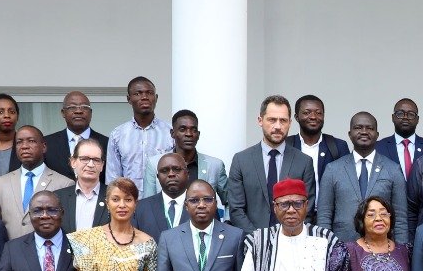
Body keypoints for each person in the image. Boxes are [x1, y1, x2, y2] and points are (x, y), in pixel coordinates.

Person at [226, 95, 316, 231]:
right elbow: (236, 209)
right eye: (272, 120)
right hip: (251, 241)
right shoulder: (241, 160)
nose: (278, 126)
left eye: (283, 121)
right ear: (260, 120)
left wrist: (289, 236)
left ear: (290, 123)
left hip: (291, 241)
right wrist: (257, 239)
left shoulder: (304, 162)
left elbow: (307, 209)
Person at [318, 112, 408, 243]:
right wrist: (325, 249)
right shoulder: (333, 169)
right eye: (358, 128)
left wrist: (402, 253)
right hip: (342, 247)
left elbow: (400, 218)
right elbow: (324, 216)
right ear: (349, 134)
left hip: (381, 250)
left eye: (370, 128)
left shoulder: (393, 169)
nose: (364, 131)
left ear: (377, 135)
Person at [0, 126, 75, 240]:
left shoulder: (64, 183)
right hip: (10, 254)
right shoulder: (1, 183)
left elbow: (66, 226)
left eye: (31, 141)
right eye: (19, 142)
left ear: (43, 147)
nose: (24, 146)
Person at [139, 110, 229, 199]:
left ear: (198, 134)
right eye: (183, 129)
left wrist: (226, 214)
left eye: (193, 130)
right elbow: (148, 203)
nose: (189, 134)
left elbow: (231, 201)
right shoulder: (155, 163)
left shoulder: (215, 165)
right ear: (172, 133)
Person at [286, 94, 350, 206]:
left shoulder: (338, 146)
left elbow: (347, 186)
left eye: (318, 113)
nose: (313, 116)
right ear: (296, 117)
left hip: (329, 217)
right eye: (306, 112)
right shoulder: (286, 145)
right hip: (294, 215)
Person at [108, 76, 172, 183]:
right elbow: (113, 178)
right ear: (129, 99)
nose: (144, 97)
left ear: (156, 98)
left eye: (149, 93)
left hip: (160, 198)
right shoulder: (117, 135)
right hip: (129, 197)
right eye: (138, 93)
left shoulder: (170, 132)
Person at [43, 91, 108, 181]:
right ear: (63, 113)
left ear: (91, 112)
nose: (78, 111)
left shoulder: (107, 143)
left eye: (84, 107)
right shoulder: (47, 143)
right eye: (72, 107)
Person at [55, 137, 110, 232]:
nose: (91, 165)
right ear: (73, 162)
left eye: (96, 160)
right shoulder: (57, 198)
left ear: (102, 165)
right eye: (85, 159)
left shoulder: (114, 196)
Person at [375, 97, 423, 181]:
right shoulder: (378, 148)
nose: (405, 117)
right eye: (400, 113)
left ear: (417, 120)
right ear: (393, 117)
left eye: (411, 114)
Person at [136, 153, 190, 239]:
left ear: (187, 173)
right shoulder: (140, 208)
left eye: (176, 169)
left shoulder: (203, 205)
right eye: (164, 171)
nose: (171, 174)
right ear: (158, 177)